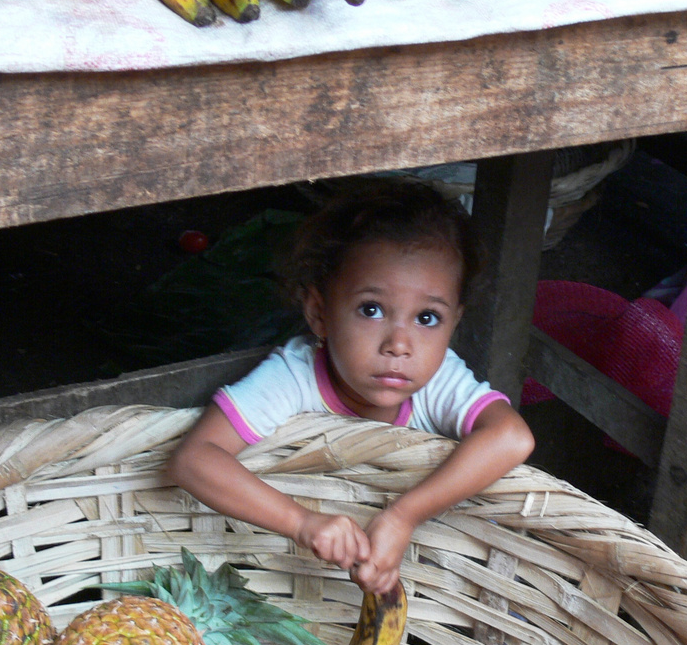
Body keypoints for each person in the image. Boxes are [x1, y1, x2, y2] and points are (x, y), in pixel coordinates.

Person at [167, 182, 536, 597]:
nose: (399, 344)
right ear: (319, 313)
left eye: (428, 318)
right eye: (371, 310)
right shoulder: (295, 375)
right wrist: (301, 522)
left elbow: (511, 436)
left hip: (435, 565)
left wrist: (403, 518)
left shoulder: (440, 380)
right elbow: (194, 459)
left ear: (455, 323)